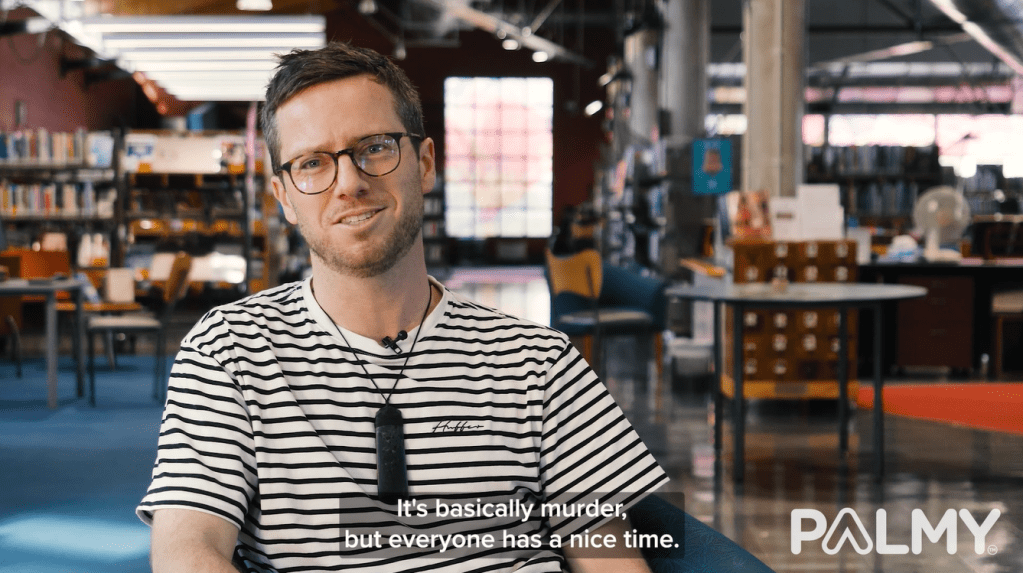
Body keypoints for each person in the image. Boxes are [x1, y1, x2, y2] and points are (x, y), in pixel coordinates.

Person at [137, 41, 668, 573]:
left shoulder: (540, 363)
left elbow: (612, 561)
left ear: (426, 163)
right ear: (283, 197)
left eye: (374, 148)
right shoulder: (229, 353)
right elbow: (187, 550)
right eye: (312, 163)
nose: (349, 183)